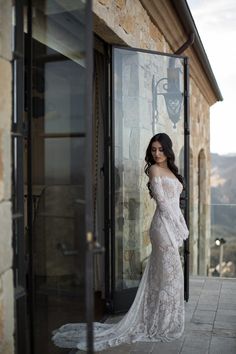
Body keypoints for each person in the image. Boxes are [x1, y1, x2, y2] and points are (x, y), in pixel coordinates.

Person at [52, 132, 189, 351]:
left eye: (161, 149)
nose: (157, 153)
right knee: (170, 275)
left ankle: (163, 318)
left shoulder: (171, 170)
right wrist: (179, 227)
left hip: (171, 224)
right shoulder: (154, 170)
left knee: (167, 275)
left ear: (168, 150)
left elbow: (175, 204)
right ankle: (161, 323)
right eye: (153, 150)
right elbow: (163, 203)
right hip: (163, 228)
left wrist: (181, 224)